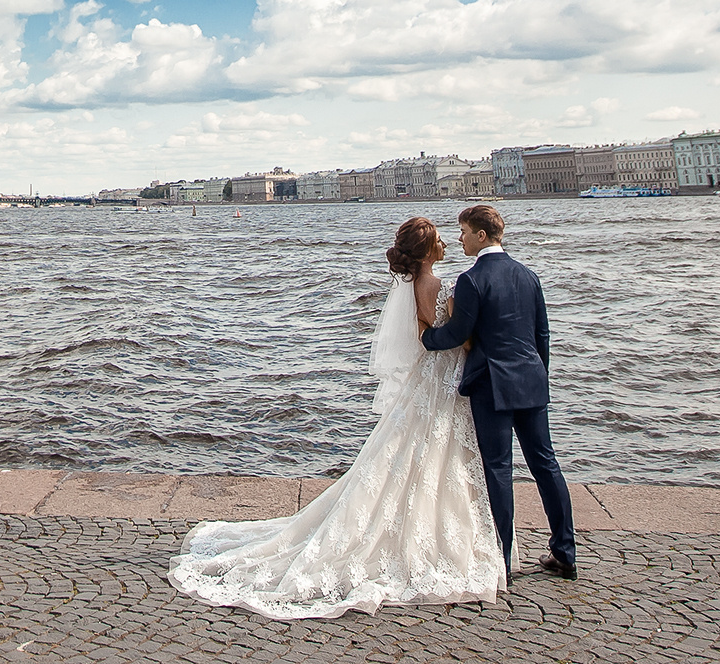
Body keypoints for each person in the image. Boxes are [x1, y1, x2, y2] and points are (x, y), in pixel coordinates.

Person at [167, 216, 506, 619]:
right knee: (436, 453)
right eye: (439, 239)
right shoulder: (438, 286)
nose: (447, 243)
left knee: (412, 453)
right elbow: (457, 337)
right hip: (444, 379)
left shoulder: (416, 285)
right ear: (428, 250)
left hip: (428, 379)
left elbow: (421, 335)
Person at [422, 203, 577, 580]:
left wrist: (427, 338)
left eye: (463, 232)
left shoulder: (473, 280)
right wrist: (539, 374)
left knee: (498, 468)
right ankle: (565, 551)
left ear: (480, 235)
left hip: (491, 383)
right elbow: (542, 335)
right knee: (546, 463)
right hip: (531, 380)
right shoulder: (528, 275)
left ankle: (502, 560)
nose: (458, 239)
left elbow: (459, 333)